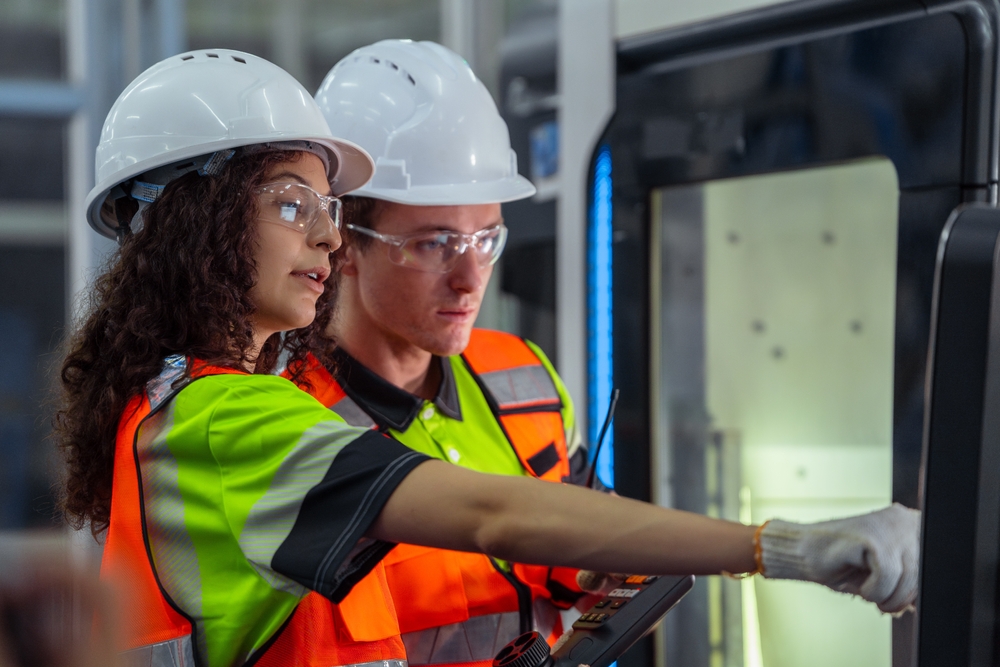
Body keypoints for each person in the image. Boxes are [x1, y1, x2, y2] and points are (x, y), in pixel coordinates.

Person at [57, 49, 919, 667]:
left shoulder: (205, 402)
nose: (321, 231)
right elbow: (492, 516)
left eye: (323, 203)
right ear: (191, 223)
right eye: (291, 204)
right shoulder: (225, 419)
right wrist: (782, 546)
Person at [307, 39, 607, 664]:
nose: (472, 278)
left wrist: (596, 569)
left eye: (486, 237)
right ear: (342, 243)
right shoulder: (287, 423)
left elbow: (571, 553)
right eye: (435, 243)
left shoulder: (523, 376)